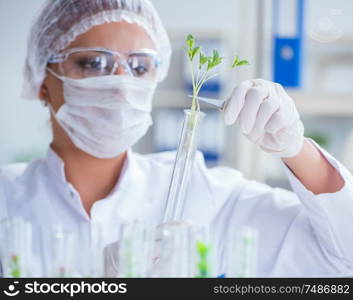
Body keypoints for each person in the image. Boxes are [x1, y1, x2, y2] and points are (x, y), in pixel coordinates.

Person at [0, 0, 352, 277]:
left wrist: (295, 148)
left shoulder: (207, 194)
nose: (122, 82)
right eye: (94, 63)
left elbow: (343, 260)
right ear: (43, 82)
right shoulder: (6, 200)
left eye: (140, 66)